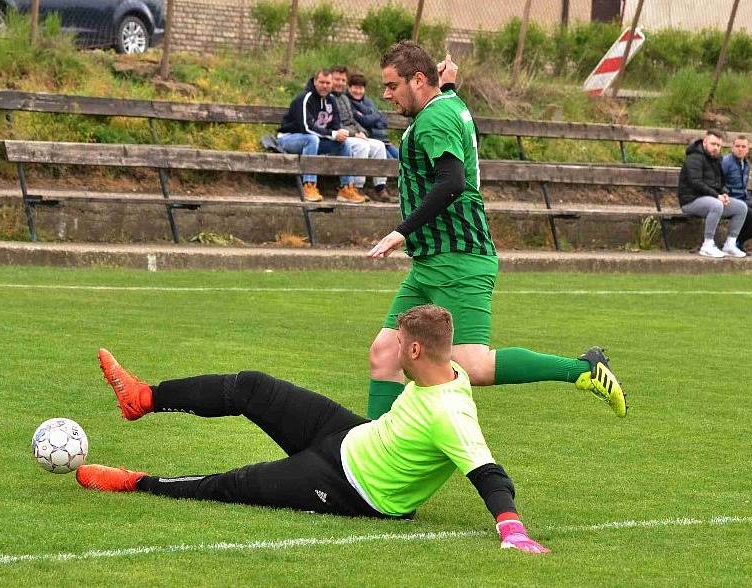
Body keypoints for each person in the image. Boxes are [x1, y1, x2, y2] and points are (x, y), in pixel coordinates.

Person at [76, 306, 549, 554]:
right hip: (350, 436)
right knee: (252, 387)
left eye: (400, 343)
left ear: (417, 352)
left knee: (236, 484)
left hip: (351, 488)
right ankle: (142, 398)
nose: (393, 348)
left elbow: (487, 472)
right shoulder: (448, 372)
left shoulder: (452, 412)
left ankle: (133, 481)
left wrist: (512, 530)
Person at [363, 42, 627, 420]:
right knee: (386, 353)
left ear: (419, 80)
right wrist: (449, 84)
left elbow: (451, 182)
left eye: (391, 85)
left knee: (474, 365)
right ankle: (376, 455)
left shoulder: (435, 119)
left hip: (459, 258)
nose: (386, 95)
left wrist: (401, 231)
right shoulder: (448, 103)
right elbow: (449, 111)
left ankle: (584, 371)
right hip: (430, 262)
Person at [277, 68, 366, 204]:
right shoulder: (305, 98)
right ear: (315, 82)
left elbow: (335, 126)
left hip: (316, 141)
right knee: (312, 139)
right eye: (321, 82)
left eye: (327, 83)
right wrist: (333, 134)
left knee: (345, 144)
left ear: (331, 84)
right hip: (290, 138)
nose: (325, 86)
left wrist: (340, 134)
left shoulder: (331, 100)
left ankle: (346, 188)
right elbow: (306, 128)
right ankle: (309, 185)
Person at [677, 129, 748, 258]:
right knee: (716, 205)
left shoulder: (716, 159)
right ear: (705, 142)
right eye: (713, 144)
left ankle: (730, 244)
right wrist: (717, 196)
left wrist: (724, 193)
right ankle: (707, 245)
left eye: (718, 145)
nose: (716, 148)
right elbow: (695, 183)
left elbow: (719, 183)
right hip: (691, 200)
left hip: (710, 199)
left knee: (741, 207)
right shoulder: (694, 157)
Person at [330, 66, 389, 200]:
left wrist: (361, 132)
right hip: (339, 136)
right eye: (336, 79)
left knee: (379, 145)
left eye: (342, 80)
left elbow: (352, 120)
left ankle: (380, 187)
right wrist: (354, 134)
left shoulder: (344, 98)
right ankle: (357, 187)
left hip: (353, 134)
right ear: (330, 79)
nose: (339, 83)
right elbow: (336, 124)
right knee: (362, 146)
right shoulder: (329, 98)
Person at [347, 72, 400, 160]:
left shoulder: (368, 102)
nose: (358, 91)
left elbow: (384, 122)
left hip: (383, 140)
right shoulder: (348, 102)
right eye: (355, 88)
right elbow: (365, 121)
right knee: (392, 163)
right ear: (349, 88)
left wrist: (373, 117)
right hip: (370, 139)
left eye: (361, 88)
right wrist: (376, 116)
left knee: (402, 158)